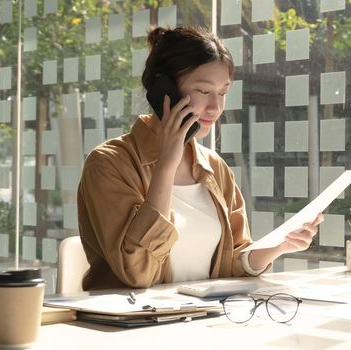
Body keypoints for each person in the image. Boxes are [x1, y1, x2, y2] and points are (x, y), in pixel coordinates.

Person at [77, 26, 323, 290]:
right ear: (165, 90)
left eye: (223, 93)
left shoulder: (214, 167)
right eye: (204, 92)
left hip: (201, 320)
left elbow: (230, 263)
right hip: (131, 326)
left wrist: (278, 246)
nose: (215, 107)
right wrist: (166, 165)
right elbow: (137, 272)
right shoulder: (108, 164)